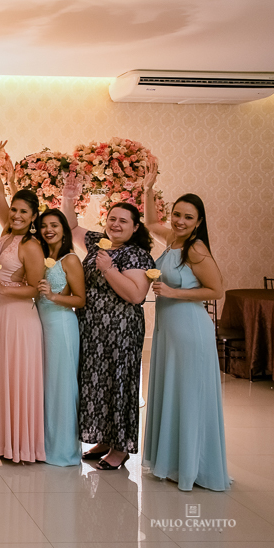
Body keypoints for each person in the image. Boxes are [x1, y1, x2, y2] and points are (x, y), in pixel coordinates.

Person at [141, 159, 230, 490]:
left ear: (198, 222)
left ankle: (194, 467)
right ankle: (174, 462)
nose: (179, 221)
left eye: (187, 217)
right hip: (169, 331)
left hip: (191, 330)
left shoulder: (196, 248)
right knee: (173, 392)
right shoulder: (172, 238)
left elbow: (218, 290)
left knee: (189, 395)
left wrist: (175, 291)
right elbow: (150, 221)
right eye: (177, 214)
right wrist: (148, 189)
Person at [61, 174, 155, 470]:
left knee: (119, 385)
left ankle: (120, 448)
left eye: (123, 221)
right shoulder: (98, 242)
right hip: (92, 329)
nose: (115, 224)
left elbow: (136, 295)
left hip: (121, 332)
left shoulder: (138, 255)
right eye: (112, 219)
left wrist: (110, 269)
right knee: (96, 384)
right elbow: (72, 227)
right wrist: (69, 197)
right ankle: (102, 438)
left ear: (135, 227)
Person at [0, 141, 47, 463]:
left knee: (17, 381)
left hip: (20, 318)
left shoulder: (31, 245)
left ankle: (21, 446)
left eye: (25, 211)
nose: (18, 214)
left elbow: (37, 288)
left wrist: (6, 289)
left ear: (34, 216)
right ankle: (1, 443)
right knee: (0, 378)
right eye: (15, 210)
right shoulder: (6, 234)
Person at [36, 209, 85, 466]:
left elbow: (80, 298)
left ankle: (63, 450)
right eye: (44, 226)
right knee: (46, 385)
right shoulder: (42, 256)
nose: (48, 230)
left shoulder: (70, 260)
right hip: (41, 325)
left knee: (62, 387)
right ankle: (44, 443)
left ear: (64, 229)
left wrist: (54, 296)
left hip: (62, 325)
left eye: (54, 225)